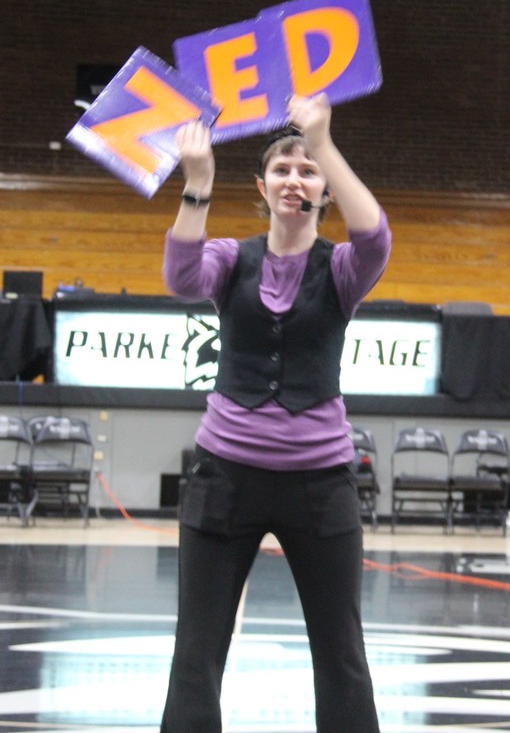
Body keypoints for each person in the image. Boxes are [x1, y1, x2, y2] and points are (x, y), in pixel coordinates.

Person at [160, 92, 392, 733]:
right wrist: (197, 186)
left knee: (342, 655)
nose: (297, 179)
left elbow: (374, 233)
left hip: (320, 484)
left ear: (322, 188)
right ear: (262, 187)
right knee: (196, 652)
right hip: (224, 478)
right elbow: (180, 275)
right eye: (283, 170)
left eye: (307, 171)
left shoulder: (343, 269)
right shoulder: (231, 258)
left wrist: (322, 144)